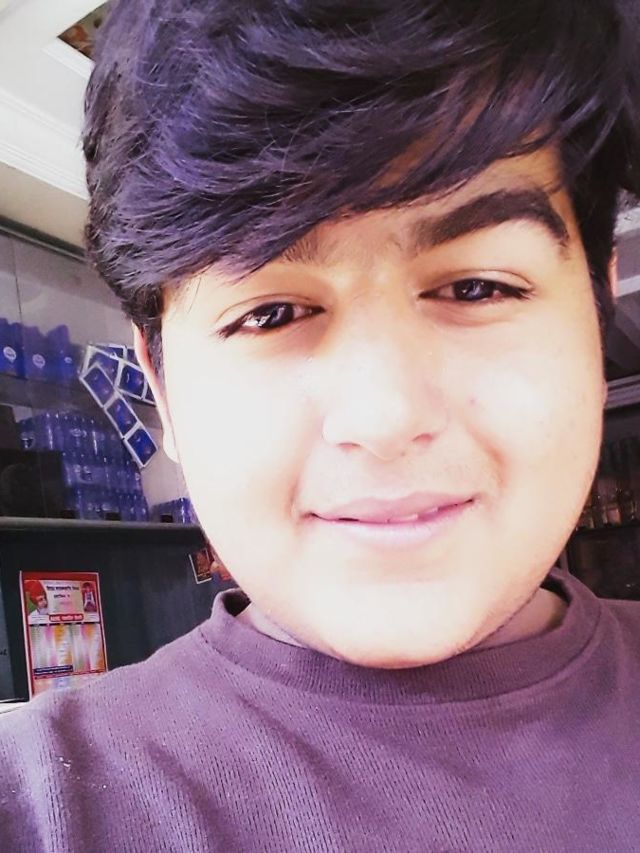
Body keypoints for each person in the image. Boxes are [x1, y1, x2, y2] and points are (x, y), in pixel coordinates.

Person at [1, 1, 640, 850]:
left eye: (477, 287)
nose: (385, 417)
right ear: (162, 385)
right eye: (270, 313)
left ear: (596, 310)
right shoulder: (44, 810)